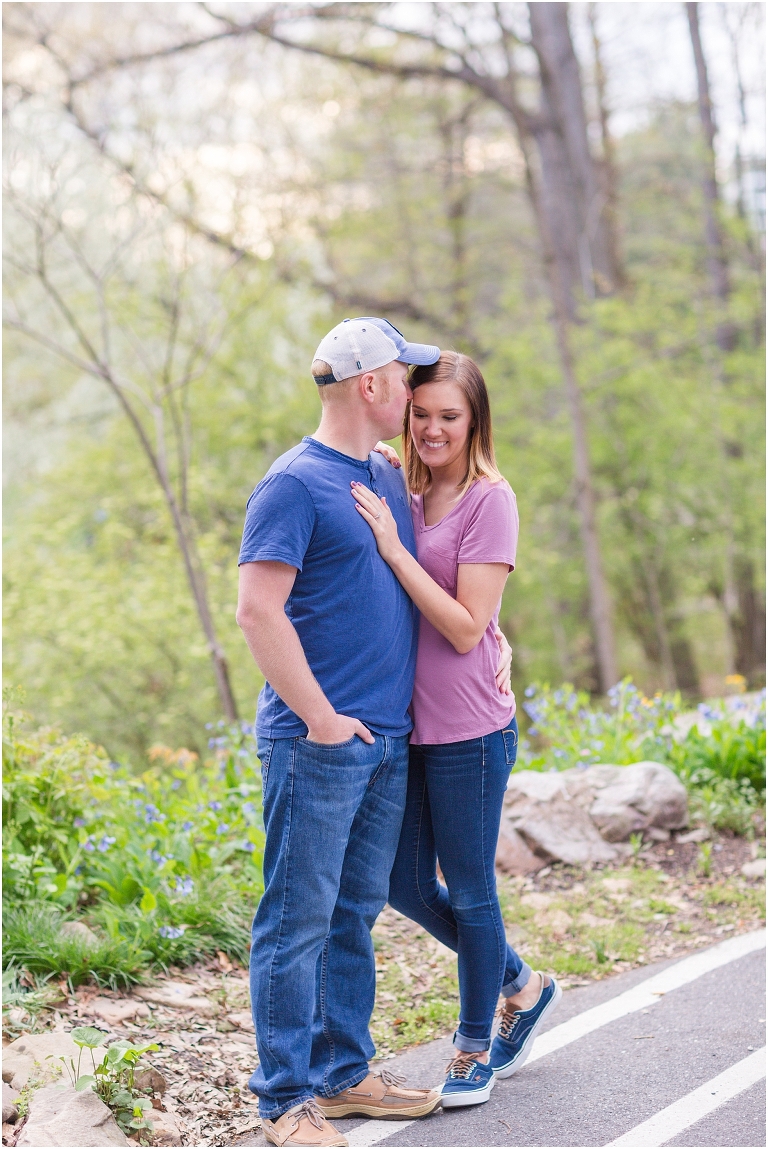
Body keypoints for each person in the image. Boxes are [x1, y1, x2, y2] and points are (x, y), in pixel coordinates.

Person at [237, 318, 470, 1148]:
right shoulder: (294, 483)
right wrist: (323, 719)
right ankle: (283, 1101)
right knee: (295, 919)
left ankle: (342, 1076)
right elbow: (257, 611)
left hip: (386, 740)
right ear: (371, 386)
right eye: (405, 378)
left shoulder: (376, 474)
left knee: (351, 913)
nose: (414, 394)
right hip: (319, 745)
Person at [351, 350, 562, 1109]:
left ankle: (476, 1044)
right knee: (403, 881)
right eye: (423, 413)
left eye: (450, 415)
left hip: (471, 728)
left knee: (471, 889)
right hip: (405, 725)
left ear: (475, 421)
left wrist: (396, 551)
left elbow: (470, 628)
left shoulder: (488, 498)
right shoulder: (399, 483)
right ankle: (520, 981)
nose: (433, 428)